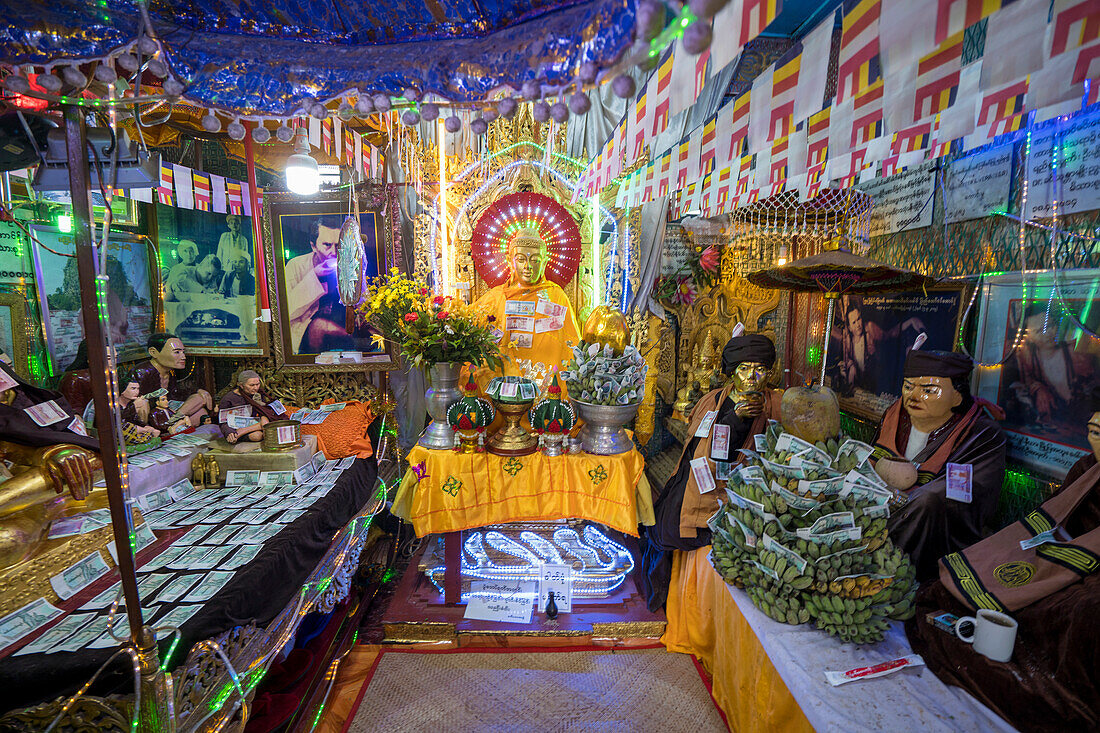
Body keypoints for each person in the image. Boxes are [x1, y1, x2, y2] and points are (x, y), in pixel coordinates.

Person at [642, 333, 783, 611]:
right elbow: (714, 455)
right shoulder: (712, 400)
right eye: (744, 369)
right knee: (663, 528)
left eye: (760, 370)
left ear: (770, 372)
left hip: (749, 496)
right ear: (732, 373)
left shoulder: (775, 405)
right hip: (699, 484)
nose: (752, 377)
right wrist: (735, 419)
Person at [870, 350, 1007, 580]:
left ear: (957, 396)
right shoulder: (895, 415)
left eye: (928, 391)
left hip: (933, 521)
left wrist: (910, 500)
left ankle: (891, 573)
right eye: (908, 387)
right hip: (883, 499)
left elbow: (961, 495)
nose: (913, 397)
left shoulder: (980, 433)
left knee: (929, 502)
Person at [469, 227, 580, 387]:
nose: (528, 266)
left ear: (545, 261)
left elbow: (571, 343)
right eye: (521, 259)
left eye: (535, 260)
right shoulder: (496, 297)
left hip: (545, 374)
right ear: (509, 260)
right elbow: (472, 331)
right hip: (506, 373)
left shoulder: (555, 295)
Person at [835, 295, 926, 395]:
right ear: (849, 327)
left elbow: (890, 334)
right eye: (853, 322)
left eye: (859, 319)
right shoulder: (848, 340)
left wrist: (910, 322)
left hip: (875, 384)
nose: (858, 325)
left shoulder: (869, 329)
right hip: (857, 386)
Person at [129, 332, 213, 426]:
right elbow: (133, 403)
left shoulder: (171, 371)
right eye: (177, 352)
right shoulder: (141, 372)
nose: (183, 357)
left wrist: (198, 390)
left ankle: (172, 421)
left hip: (168, 409)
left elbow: (178, 392)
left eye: (183, 352)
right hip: (153, 415)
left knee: (201, 410)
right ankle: (171, 425)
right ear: (154, 352)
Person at [285, 219, 341, 352]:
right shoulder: (296, 265)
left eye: (338, 245)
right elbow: (287, 310)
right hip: (307, 332)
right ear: (313, 246)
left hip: (339, 329)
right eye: (327, 245)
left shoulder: (349, 264)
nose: (333, 252)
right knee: (319, 326)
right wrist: (314, 276)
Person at [217, 370, 288, 443]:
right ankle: (240, 433)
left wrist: (262, 413)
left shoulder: (258, 394)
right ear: (241, 385)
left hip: (255, 424)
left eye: (257, 384)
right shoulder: (228, 399)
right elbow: (223, 422)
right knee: (257, 436)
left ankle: (243, 431)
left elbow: (263, 411)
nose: (256, 388)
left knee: (266, 421)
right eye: (252, 385)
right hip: (236, 427)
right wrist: (229, 432)